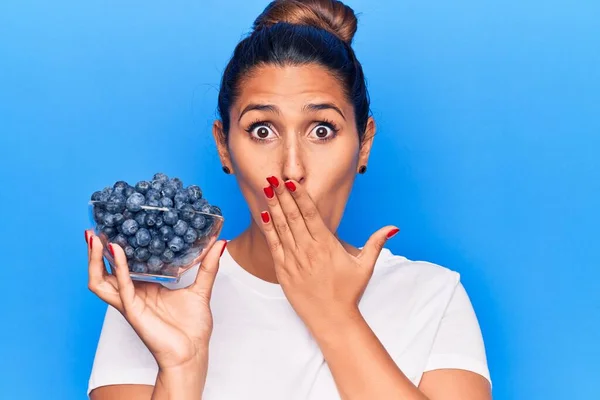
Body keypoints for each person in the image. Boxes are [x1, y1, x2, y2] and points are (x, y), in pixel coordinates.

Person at [85, 1, 492, 399]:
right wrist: (181, 368)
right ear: (224, 148)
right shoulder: (155, 299)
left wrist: (334, 316)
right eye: (262, 130)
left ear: (363, 144)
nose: (291, 168)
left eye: (321, 130)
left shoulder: (432, 297)